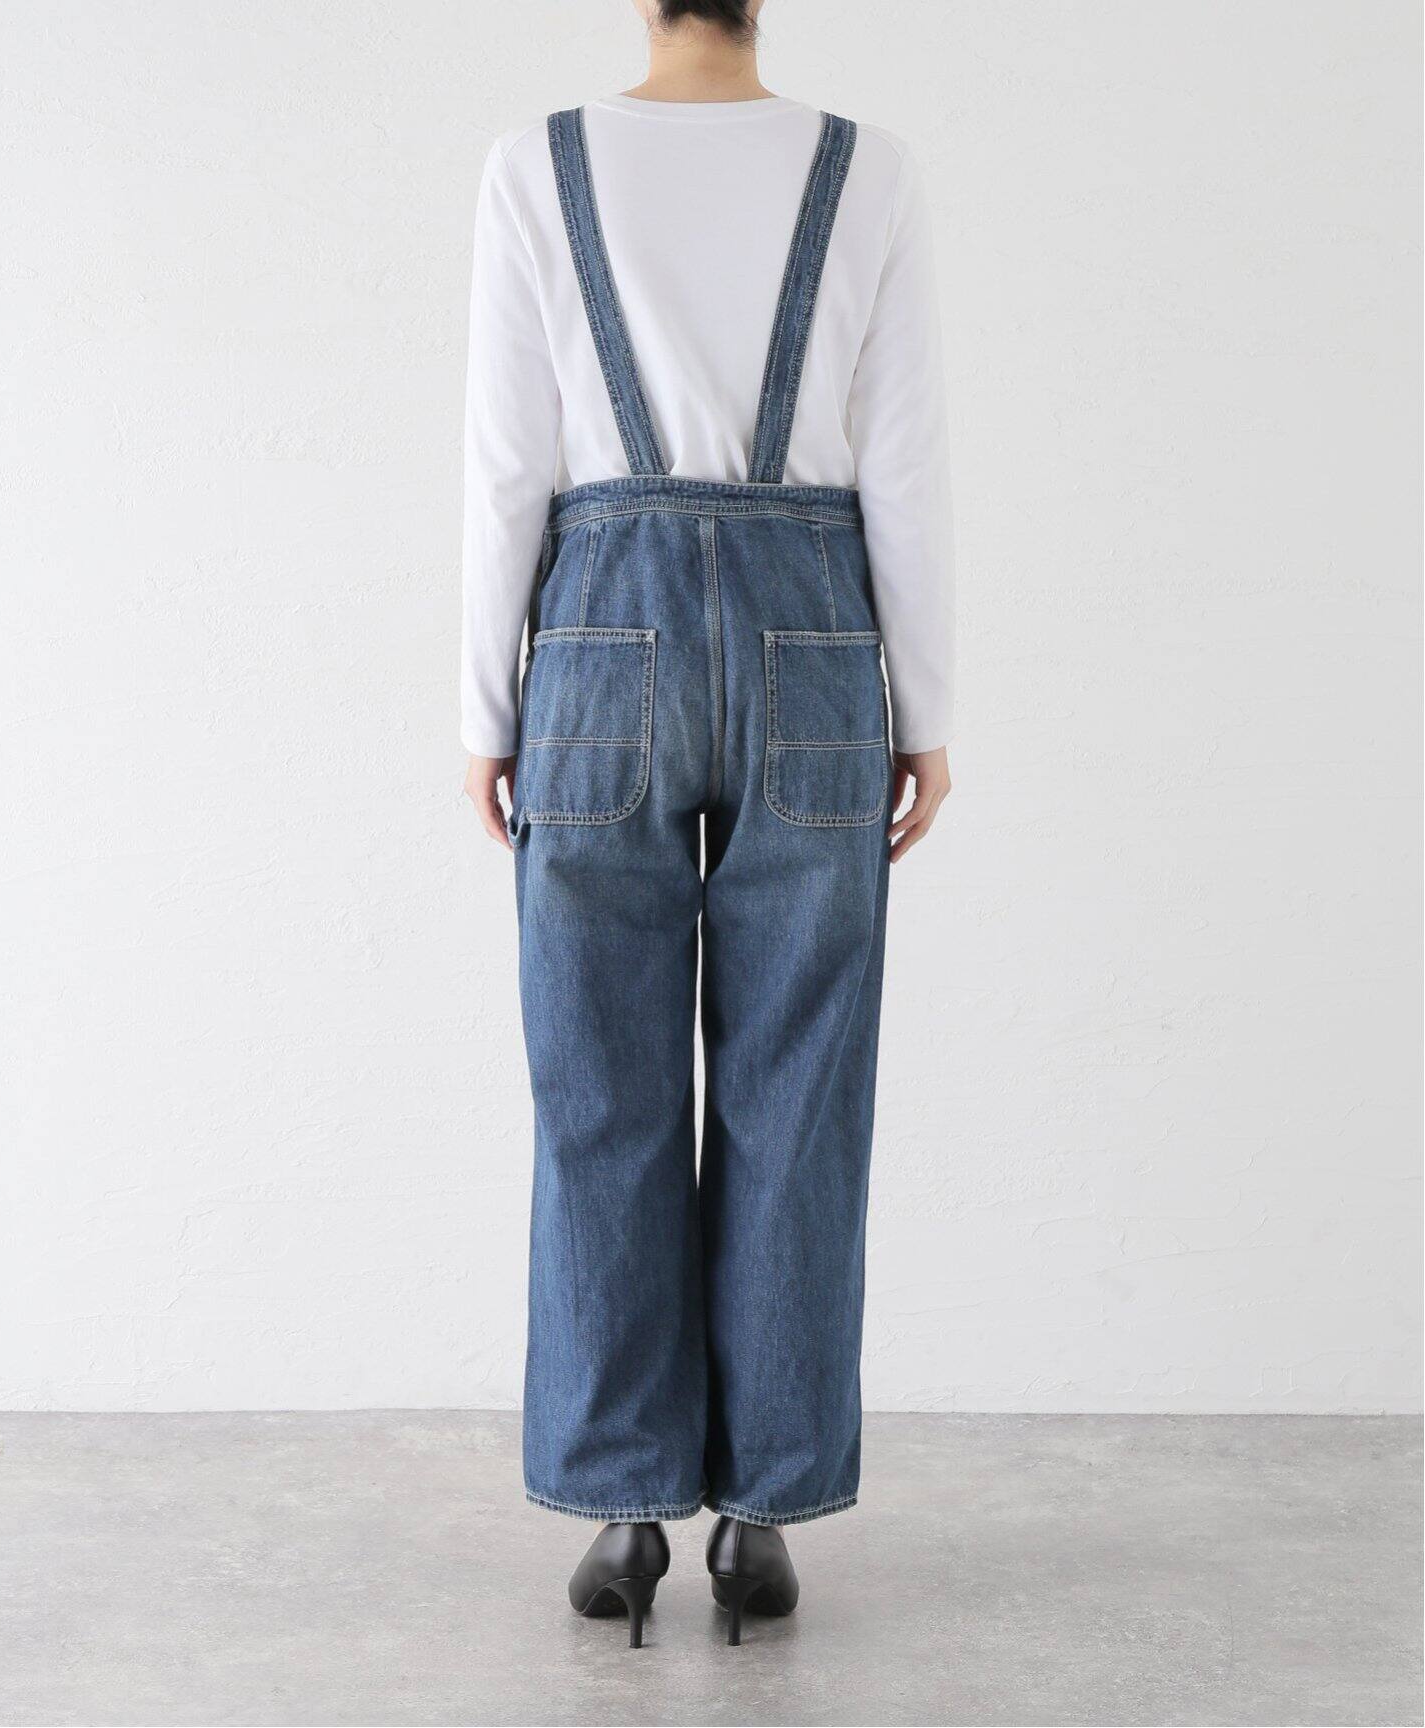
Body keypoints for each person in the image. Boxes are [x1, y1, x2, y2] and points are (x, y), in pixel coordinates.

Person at [460, 0, 954, 1649]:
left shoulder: (536, 166)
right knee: (799, 1087)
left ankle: (623, 1509)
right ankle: (763, 1514)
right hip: (816, 645)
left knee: (598, 1085)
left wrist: (484, 707)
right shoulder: (866, 170)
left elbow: (507, 463)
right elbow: (905, 462)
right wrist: (926, 708)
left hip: (600, 647)